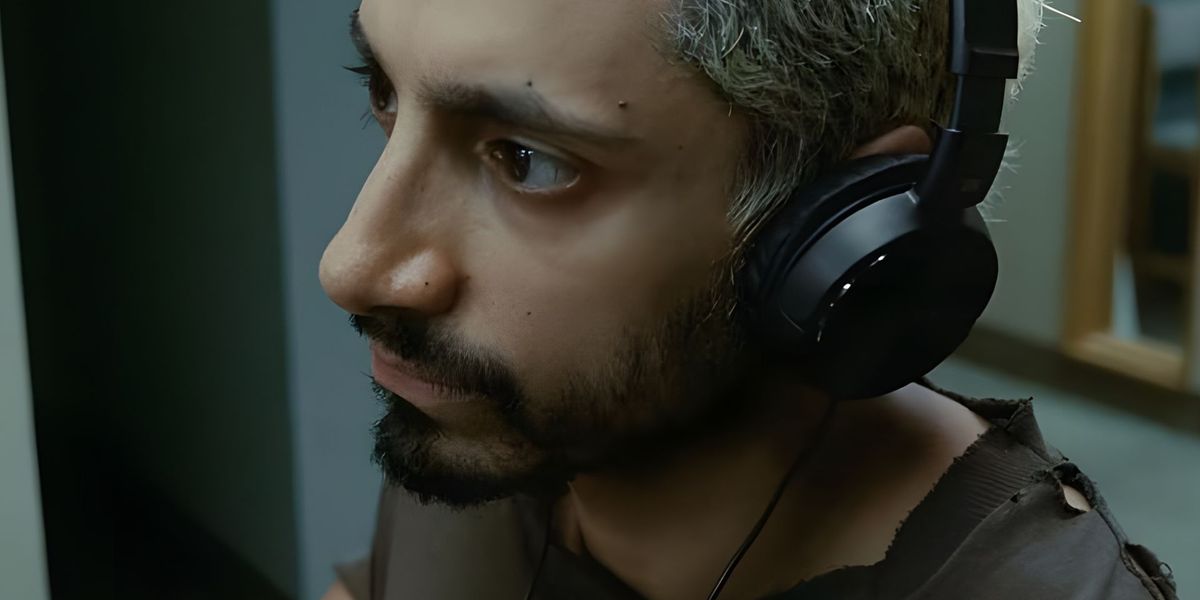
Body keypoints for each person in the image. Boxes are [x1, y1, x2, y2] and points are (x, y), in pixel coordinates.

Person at [318, 0, 1179, 598]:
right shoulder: (497, 419)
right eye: (384, 93)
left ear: (836, 228)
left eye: (525, 159)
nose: (352, 267)